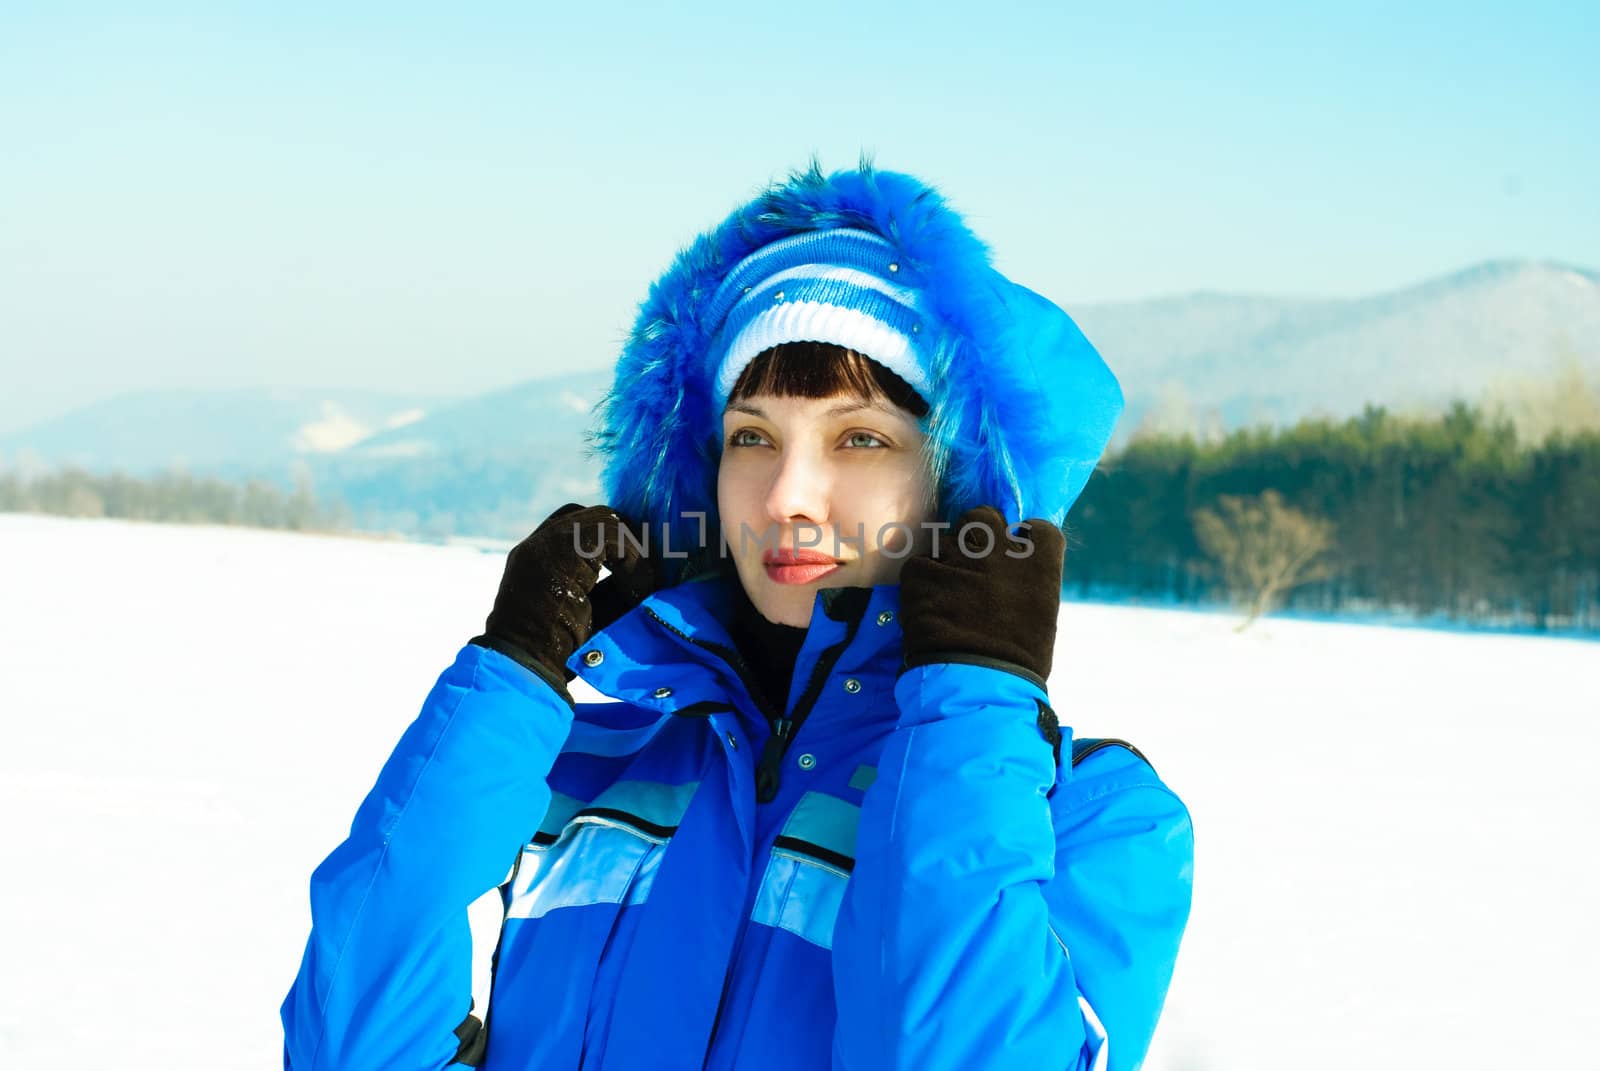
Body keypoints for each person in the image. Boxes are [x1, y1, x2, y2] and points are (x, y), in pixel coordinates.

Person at [282, 164, 1193, 1070]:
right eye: (751, 437)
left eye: (861, 438)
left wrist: (971, 707)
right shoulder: (586, 767)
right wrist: (508, 684)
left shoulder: (1088, 819)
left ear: (962, 489)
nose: (787, 495)